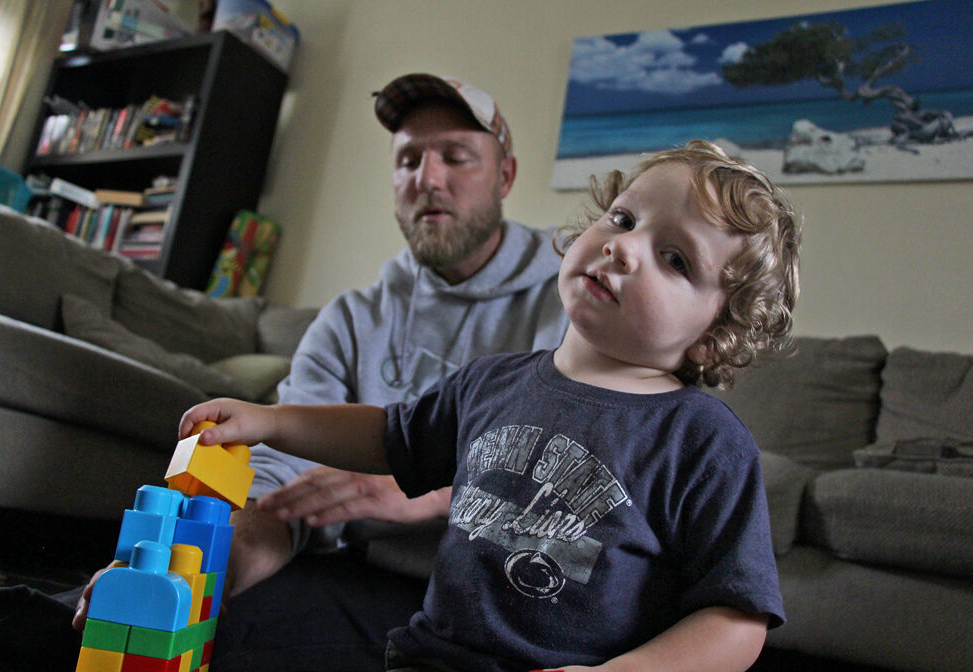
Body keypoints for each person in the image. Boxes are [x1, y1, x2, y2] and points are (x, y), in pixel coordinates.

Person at [177, 139, 801, 672]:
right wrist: (272, 422)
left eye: (675, 258)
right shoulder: (491, 381)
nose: (622, 248)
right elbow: (386, 436)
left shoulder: (704, 440)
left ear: (715, 334)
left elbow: (737, 619)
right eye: (622, 218)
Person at [69, 74, 569, 670]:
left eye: (456, 157)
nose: (428, 179)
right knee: (90, 627)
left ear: (505, 176)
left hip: (500, 601)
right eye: (408, 159)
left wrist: (437, 489)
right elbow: (282, 486)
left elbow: (591, 475)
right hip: (356, 577)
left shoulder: (574, 297)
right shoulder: (350, 321)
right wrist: (196, 582)